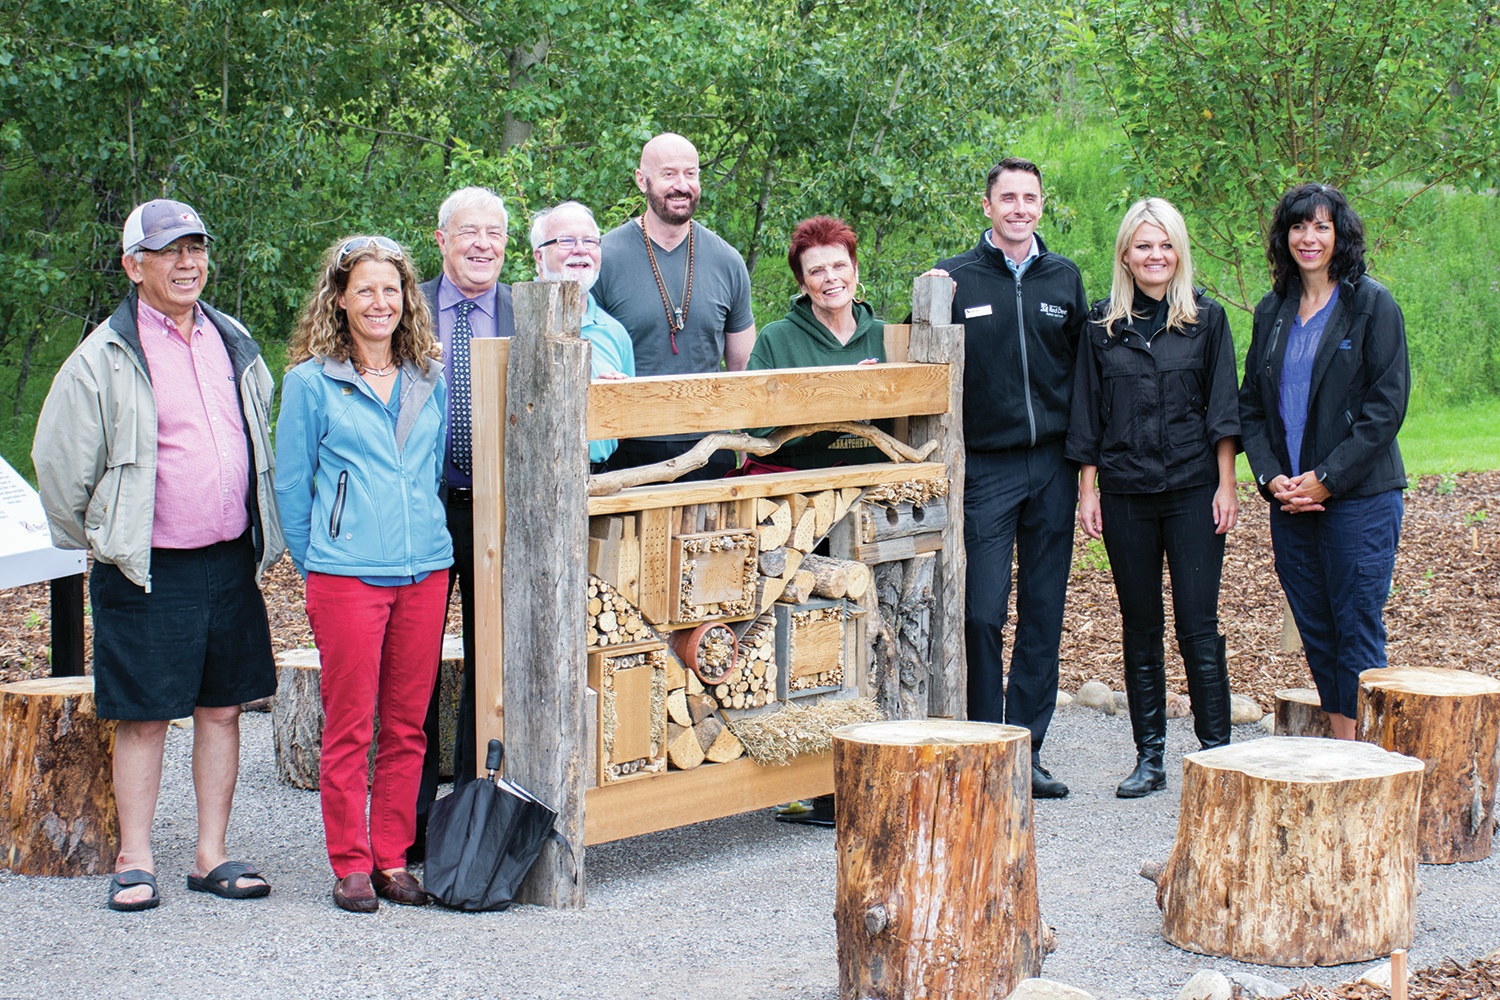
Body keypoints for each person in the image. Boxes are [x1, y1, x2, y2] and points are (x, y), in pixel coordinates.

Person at [33, 198, 283, 911]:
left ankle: (211, 855)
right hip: (146, 567)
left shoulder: (231, 338)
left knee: (223, 709)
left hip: (229, 561)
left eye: (195, 248)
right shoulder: (105, 356)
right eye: (169, 250)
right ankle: (135, 858)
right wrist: (105, 538)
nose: (186, 263)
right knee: (143, 716)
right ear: (133, 265)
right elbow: (59, 467)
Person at [275, 235, 453, 912]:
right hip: (346, 578)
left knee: (408, 726)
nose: (380, 303)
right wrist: (324, 554)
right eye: (366, 290)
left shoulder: (426, 375)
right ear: (340, 299)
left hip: (424, 573)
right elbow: (292, 489)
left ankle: (390, 858)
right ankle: (349, 863)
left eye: (392, 290)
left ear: (407, 299)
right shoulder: (311, 383)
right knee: (351, 723)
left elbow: (432, 472)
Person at [1066, 198, 1240, 798]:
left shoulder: (1206, 321)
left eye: (1165, 245)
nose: (1155, 256)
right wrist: (1088, 491)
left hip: (1194, 490)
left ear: (1179, 252)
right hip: (1125, 493)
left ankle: (1217, 751)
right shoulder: (1100, 327)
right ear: (1125, 254)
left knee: (1198, 623)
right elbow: (1086, 413)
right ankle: (1151, 757)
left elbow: (1223, 410)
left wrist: (1226, 484)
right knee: (1141, 624)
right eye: (1143, 245)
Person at [927, 157, 1088, 798]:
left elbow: (1083, 379)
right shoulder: (955, 281)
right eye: (1008, 198)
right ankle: (985, 741)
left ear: (1042, 206)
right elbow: (924, 364)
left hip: (1051, 463)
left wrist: (1083, 471)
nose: (1020, 208)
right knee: (983, 611)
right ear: (987, 206)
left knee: (1043, 611)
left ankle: (1027, 749)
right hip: (986, 466)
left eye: (1031, 198)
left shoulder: (1064, 279)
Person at [1239, 183, 1409, 741]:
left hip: (1358, 500)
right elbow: (1252, 410)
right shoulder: (1272, 311)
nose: (1308, 238)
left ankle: (1362, 760)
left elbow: (1385, 408)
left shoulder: (1371, 304)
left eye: (1321, 227)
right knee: (1316, 629)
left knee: (1355, 628)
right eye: (1297, 226)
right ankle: (1343, 748)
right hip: (1290, 502)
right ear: (1284, 236)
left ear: (1340, 235)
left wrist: (1327, 480)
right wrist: (1272, 480)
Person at [413, 186, 517, 860]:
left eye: (496, 234)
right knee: (415, 666)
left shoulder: (525, 310)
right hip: (421, 509)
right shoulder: (406, 309)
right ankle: (412, 822)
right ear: (442, 240)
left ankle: (478, 815)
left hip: (498, 511)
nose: (483, 245)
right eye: (469, 232)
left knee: (492, 666)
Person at [593, 132, 756, 478]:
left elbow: (743, 366)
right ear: (642, 180)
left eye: (691, 174)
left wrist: (742, 437)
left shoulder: (727, 261)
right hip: (627, 445)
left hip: (710, 445)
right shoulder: (604, 258)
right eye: (668, 174)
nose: (681, 185)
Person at [746, 215, 885, 470]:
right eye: (817, 271)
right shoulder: (777, 340)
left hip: (880, 486)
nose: (830, 277)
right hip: (797, 489)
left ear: (855, 270)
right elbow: (755, 428)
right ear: (802, 283)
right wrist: (840, 401)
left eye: (840, 265)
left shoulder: (886, 336)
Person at [529, 200, 634, 472]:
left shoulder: (615, 333)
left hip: (600, 476)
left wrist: (608, 403)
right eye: (566, 241)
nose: (580, 250)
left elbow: (624, 429)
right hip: (531, 474)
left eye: (590, 242)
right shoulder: (514, 320)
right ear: (539, 256)